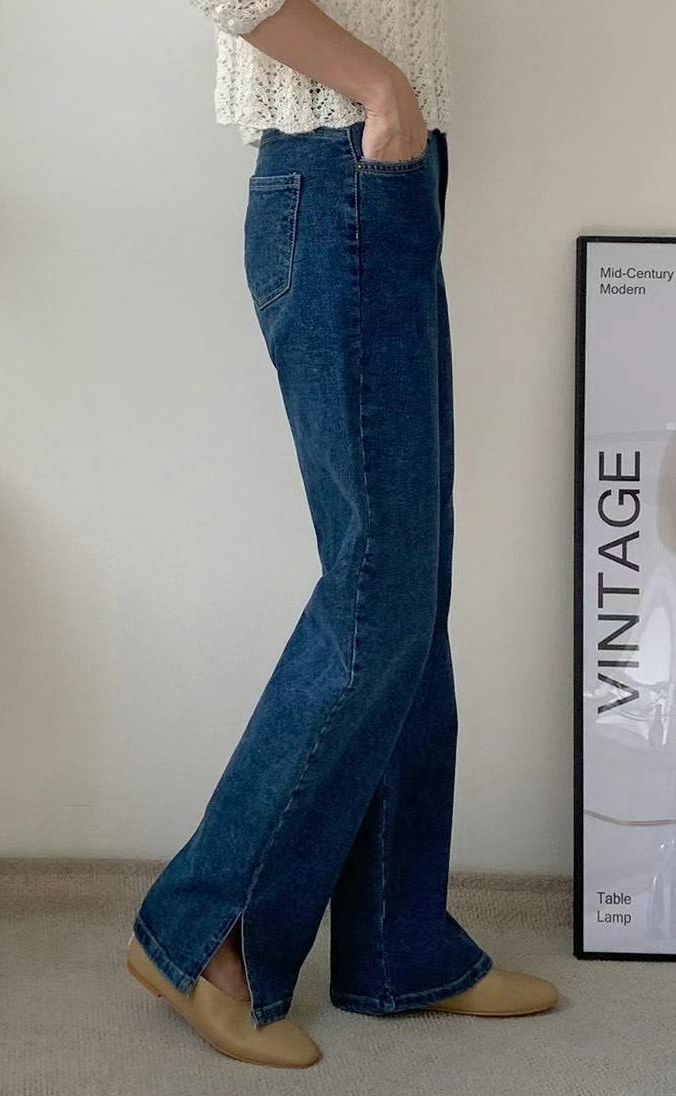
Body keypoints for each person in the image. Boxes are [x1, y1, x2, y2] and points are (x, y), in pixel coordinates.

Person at [126, 0, 560, 1069]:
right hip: (339, 170)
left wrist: (395, 113)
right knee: (380, 586)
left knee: (409, 584)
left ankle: (398, 945)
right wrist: (381, 88)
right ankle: (205, 933)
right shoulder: (358, 121)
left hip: (378, 174)